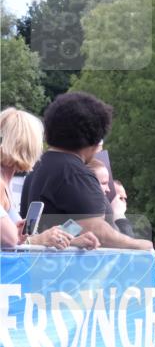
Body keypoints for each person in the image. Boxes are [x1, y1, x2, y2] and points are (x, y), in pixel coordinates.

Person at [17, 92, 151, 251]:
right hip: (76, 272)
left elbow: (73, 227)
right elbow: (95, 229)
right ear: (93, 140)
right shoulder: (75, 173)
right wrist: (139, 245)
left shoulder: (37, 167)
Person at [1, 107, 99, 250]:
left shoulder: (5, 184)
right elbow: (9, 240)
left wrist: (70, 240)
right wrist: (41, 238)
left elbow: (14, 241)